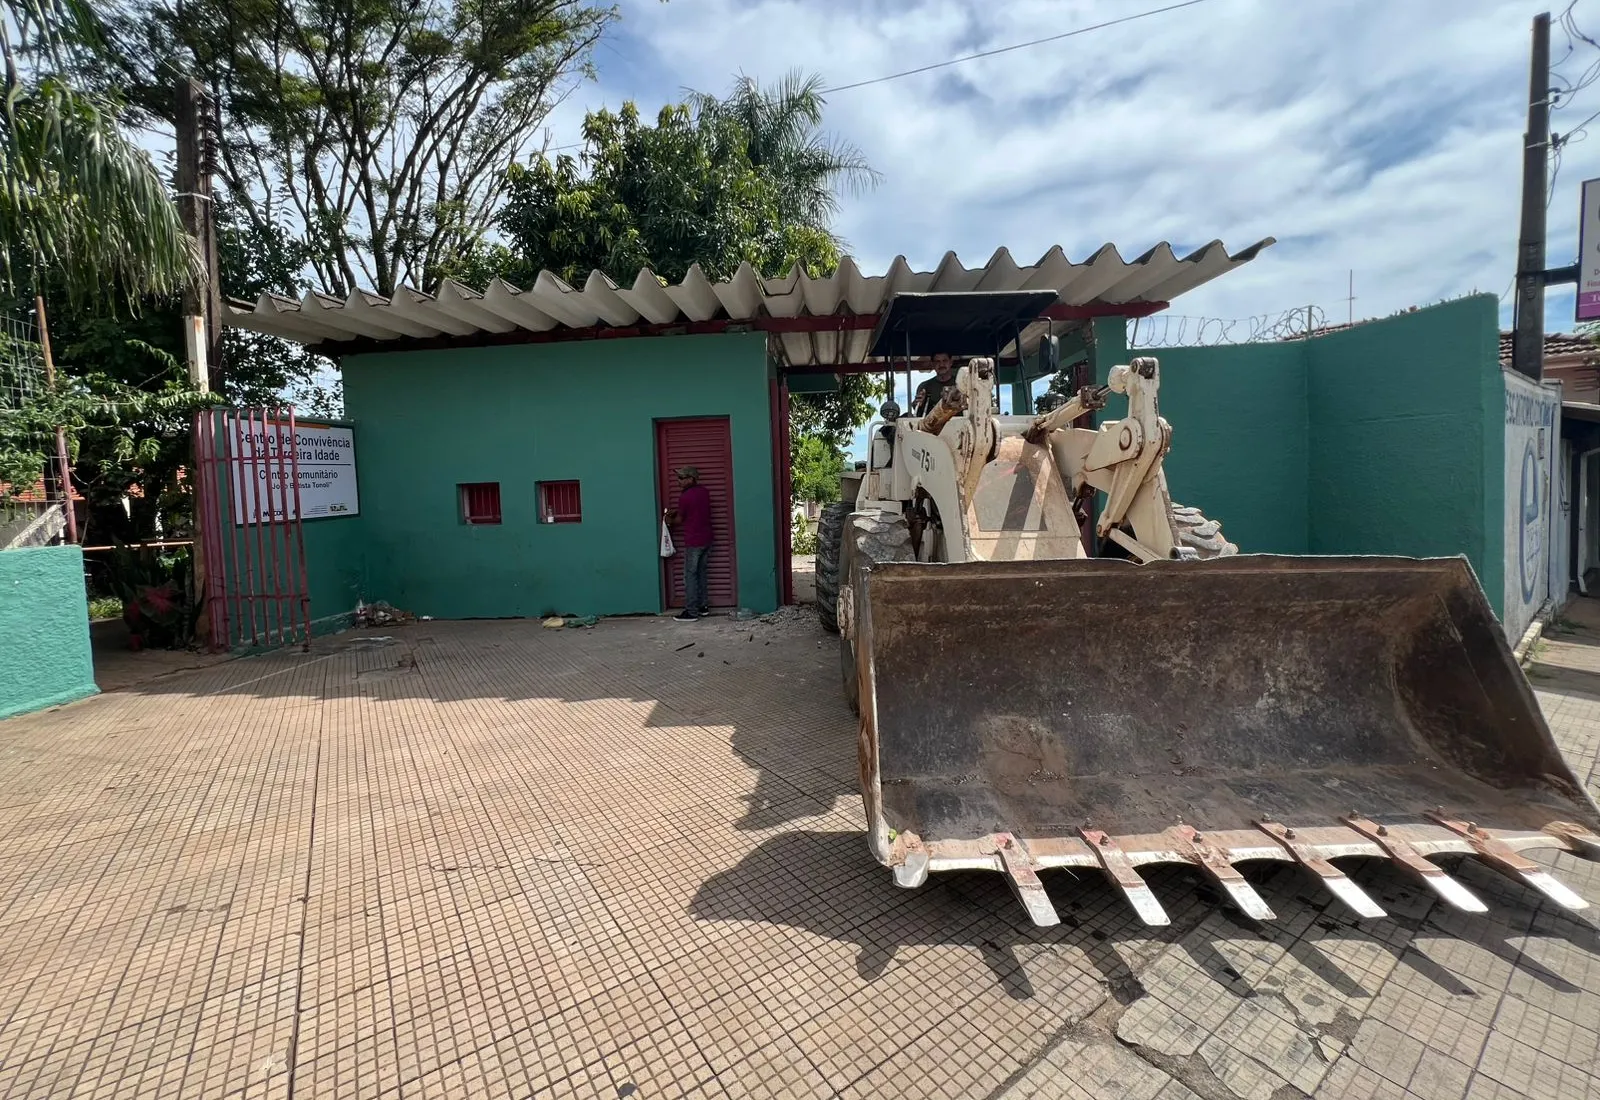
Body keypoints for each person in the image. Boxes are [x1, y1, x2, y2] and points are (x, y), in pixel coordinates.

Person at [664, 466, 713, 621]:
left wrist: (667, 520)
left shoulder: (685, 497)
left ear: (691, 479)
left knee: (690, 576)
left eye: (682, 478)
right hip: (707, 539)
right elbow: (695, 513)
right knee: (701, 573)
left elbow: (680, 519)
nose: (679, 481)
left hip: (694, 541)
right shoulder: (704, 492)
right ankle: (703, 606)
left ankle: (691, 612)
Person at [911, 352, 961, 418]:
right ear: (932, 364)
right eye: (937, 361)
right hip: (933, 426)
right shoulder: (924, 386)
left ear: (951, 362)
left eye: (944, 361)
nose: (941, 364)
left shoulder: (961, 384)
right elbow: (918, 413)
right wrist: (917, 404)